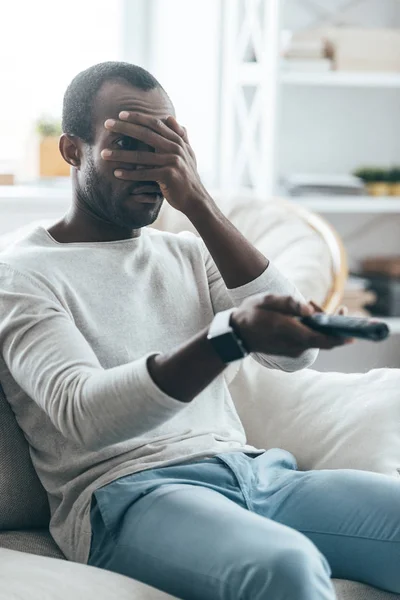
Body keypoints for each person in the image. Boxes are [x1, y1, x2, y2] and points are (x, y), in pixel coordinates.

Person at [0, 62, 399, 600]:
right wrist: (228, 338)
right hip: (126, 496)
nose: (154, 165)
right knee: (285, 565)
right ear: (73, 150)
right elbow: (84, 414)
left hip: (255, 473)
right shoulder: (20, 273)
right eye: (129, 143)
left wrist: (198, 203)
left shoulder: (187, 250)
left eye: (167, 141)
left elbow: (292, 359)